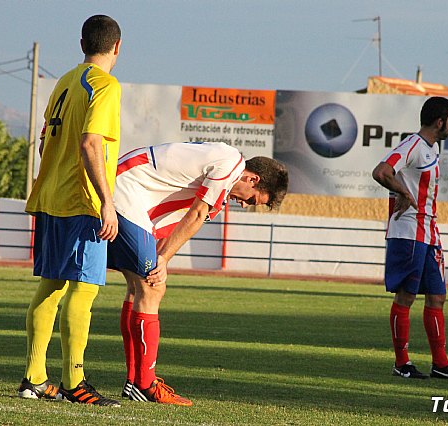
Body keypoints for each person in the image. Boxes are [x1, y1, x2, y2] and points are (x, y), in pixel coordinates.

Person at [107, 141, 289, 405]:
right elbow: (197, 213)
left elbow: (184, 216)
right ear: (252, 178)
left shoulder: (225, 168)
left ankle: (136, 382)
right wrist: (163, 259)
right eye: (251, 198)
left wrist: (161, 255)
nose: (244, 203)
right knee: (152, 286)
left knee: (140, 287)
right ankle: (144, 385)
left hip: (127, 187)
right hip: (125, 189)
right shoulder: (230, 164)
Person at [18, 15, 123, 406]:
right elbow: (91, 143)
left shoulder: (64, 82)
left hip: (51, 197)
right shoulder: (105, 85)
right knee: (84, 289)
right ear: (117, 47)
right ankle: (74, 383)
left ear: (82, 43)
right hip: (82, 202)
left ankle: (34, 378)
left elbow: (46, 143)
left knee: (52, 284)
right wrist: (107, 203)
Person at [372, 96, 448, 381]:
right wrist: (404, 194)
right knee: (405, 297)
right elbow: (382, 171)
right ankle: (401, 363)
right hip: (408, 233)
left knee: (437, 297)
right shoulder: (413, 145)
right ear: (440, 122)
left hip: (429, 233)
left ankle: (441, 365)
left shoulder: (432, 148)